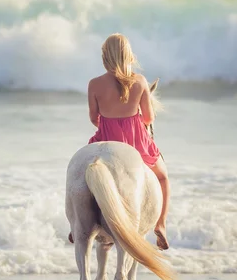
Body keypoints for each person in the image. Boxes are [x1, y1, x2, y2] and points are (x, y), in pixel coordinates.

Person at [69, 33, 170, 250]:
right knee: (162, 177)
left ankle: (76, 224)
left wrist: (109, 123)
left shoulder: (94, 84)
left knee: (80, 172)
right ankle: (160, 225)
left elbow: (93, 118)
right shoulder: (140, 81)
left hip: (106, 137)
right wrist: (132, 122)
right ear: (129, 56)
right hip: (136, 141)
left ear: (105, 57)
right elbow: (149, 118)